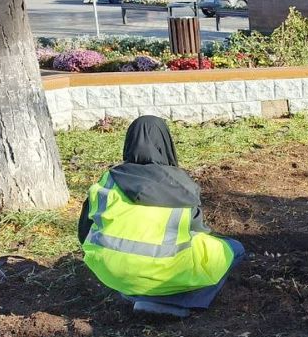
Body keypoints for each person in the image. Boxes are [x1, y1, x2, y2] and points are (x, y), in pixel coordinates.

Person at [78, 116, 245, 318]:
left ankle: (134, 293)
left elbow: (84, 230)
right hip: (168, 271)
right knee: (234, 249)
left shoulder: (109, 179)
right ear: (165, 144)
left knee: (131, 266)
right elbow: (198, 230)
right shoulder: (181, 183)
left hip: (111, 272)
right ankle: (176, 302)